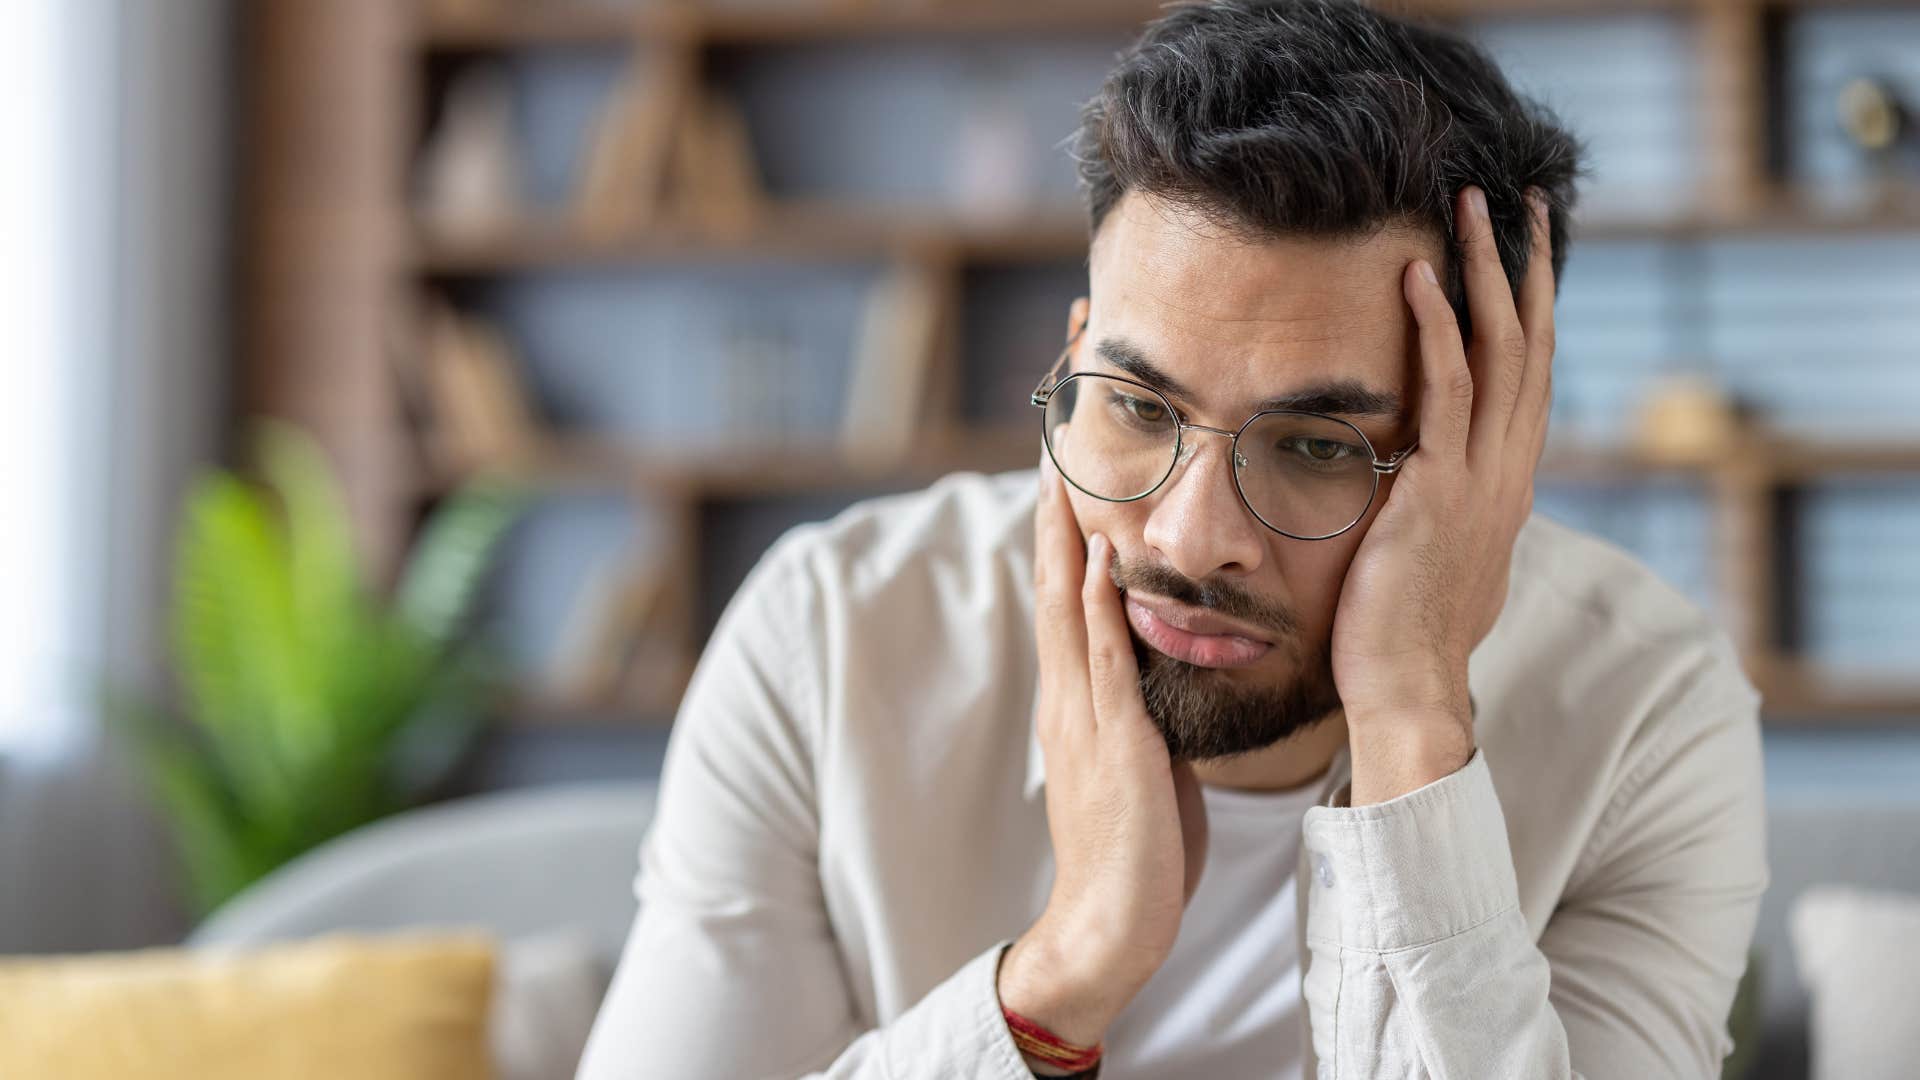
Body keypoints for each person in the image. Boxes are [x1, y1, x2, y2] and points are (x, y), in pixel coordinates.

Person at [576, 1, 1767, 1076]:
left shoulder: (1645, 716)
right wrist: (1063, 975)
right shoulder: (831, 638)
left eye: (1314, 445)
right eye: (1139, 409)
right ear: (1071, 354)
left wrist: (1414, 727)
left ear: (1491, 451)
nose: (1194, 542)